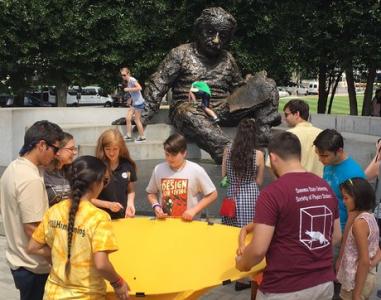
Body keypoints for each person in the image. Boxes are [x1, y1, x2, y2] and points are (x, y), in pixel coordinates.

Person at [143, 7, 280, 163]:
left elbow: (238, 88)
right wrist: (143, 114)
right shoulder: (180, 54)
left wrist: (252, 87)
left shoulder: (228, 58)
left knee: (267, 85)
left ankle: (261, 139)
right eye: (210, 33)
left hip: (223, 108)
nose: (216, 40)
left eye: (222, 36)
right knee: (187, 112)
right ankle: (229, 154)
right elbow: (159, 82)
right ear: (198, 30)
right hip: (190, 108)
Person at [236, 131, 341, 300]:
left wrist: (242, 263)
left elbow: (258, 249)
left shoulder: (272, 193)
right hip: (323, 284)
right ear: (298, 156)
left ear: (274, 158)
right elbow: (336, 236)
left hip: (285, 288)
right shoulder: (324, 187)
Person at [27, 156, 129, 299]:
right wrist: (118, 283)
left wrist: (59, 257)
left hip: (52, 294)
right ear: (96, 183)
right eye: (105, 181)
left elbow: (33, 247)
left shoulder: (54, 211)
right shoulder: (99, 218)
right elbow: (101, 264)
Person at [0, 120, 64, 299]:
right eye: (55, 149)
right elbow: (33, 230)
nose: (56, 154)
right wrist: (59, 257)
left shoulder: (13, 168)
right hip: (34, 267)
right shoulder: (31, 180)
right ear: (42, 145)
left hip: (19, 260)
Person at [222, 118, 264, 291]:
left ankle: (231, 270)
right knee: (247, 235)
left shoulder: (228, 150)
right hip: (251, 195)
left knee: (231, 232)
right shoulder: (259, 154)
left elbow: (224, 175)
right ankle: (245, 277)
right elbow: (259, 181)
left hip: (232, 194)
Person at [146, 133, 217, 221]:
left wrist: (194, 210)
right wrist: (155, 205)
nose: (170, 158)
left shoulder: (196, 170)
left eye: (174, 155)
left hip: (190, 224)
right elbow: (151, 192)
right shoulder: (158, 169)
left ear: (184, 153)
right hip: (165, 223)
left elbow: (212, 194)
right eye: (167, 154)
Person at [313, 129, 365, 232]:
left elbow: (355, 213)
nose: (320, 159)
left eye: (324, 155)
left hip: (342, 231)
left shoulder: (353, 174)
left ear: (339, 151)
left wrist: (344, 241)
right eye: (318, 154)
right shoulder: (328, 164)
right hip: (327, 225)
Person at [337, 178, 380, 300]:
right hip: (366, 278)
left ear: (358, 199)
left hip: (356, 283)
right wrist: (373, 263)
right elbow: (377, 250)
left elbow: (364, 260)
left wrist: (356, 294)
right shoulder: (370, 218)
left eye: (346, 198)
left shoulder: (359, 224)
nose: (344, 202)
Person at [92, 128, 137, 219]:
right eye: (108, 149)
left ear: (121, 148)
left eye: (115, 149)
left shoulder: (127, 166)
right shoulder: (96, 167)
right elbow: (89, 199)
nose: (111, 153)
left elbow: (130, 190)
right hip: (102, 219)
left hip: (123, 218)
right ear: (102, 149)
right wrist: (109, 205)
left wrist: (130, 204)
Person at [283, 99, 323, 176]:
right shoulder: (321, 133)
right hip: (319, 185)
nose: (284, 118)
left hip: (295, 185)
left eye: (286, 114)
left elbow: (274, 164)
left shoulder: (288, 135)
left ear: (297, 114)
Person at [44, 132, 77, 206]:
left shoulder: (71, 171)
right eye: (71, 149)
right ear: (57, 150)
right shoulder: (43, 174)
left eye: (74, 149)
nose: (74, 152)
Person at [120, 67, 146, 142]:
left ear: (128, 73)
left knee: (136, 120)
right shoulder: (128, 82)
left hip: (139, 103)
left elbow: (139, 88)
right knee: (128, 118)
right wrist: (130, 99)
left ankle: (142, 137)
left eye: (124, 75)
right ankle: (128, 135)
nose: (123, 77)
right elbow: (134, 93)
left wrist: (128, 89)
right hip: (135, 103)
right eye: (122, 75)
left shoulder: (132, 80)